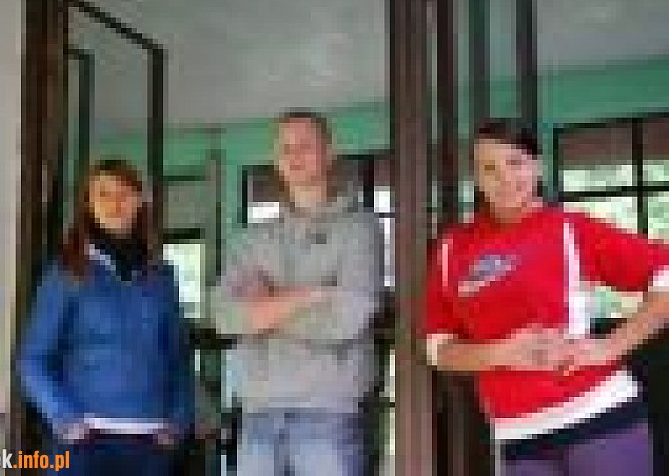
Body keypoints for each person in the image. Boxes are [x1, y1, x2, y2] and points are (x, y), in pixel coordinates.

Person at [424, 119, 669, 476]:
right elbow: (437, 348)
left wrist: (612, 345)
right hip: (517, 435)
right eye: (489, 168)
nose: (505, 178)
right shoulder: (451, 250)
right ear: (476, 178)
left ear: (537, 166)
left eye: (516, 162)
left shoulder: (571, 229)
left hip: (598, 418)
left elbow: (664, 272)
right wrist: (499, 353)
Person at [211, 109, 383, 476]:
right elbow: (224, 317)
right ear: (276, 160)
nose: (294, 155)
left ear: (329, 153)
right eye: (285, 148)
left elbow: (347, 319)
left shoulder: (360, 228)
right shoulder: (250, 240)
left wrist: (263, 309)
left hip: (329, 416)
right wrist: (307, 297)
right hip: (256, 417)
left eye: (305, 145)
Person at [17, 159, 195, 476]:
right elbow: (32, 359)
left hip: (149, 444)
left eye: (124, 193)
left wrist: (178, 420)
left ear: (140, 201)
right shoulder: (67, 271)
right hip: (83, 443)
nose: (115, 203)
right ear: (88, 204)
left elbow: (178, 356)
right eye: (103, 194)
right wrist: (64, 417)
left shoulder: (161, 277)